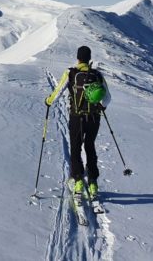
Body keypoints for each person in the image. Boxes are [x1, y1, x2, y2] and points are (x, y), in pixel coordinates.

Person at [45, 45, 111, 199]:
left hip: (77, 117)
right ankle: (93, 182)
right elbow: (107, 98)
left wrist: (48, 101)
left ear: (78, 58)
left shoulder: (71, 73)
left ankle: (78, 180)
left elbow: (58, 91)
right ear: (89, 58)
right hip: (94, 118)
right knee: (90, 146)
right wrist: (102, 106)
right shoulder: (98, 74)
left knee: (75, 147)